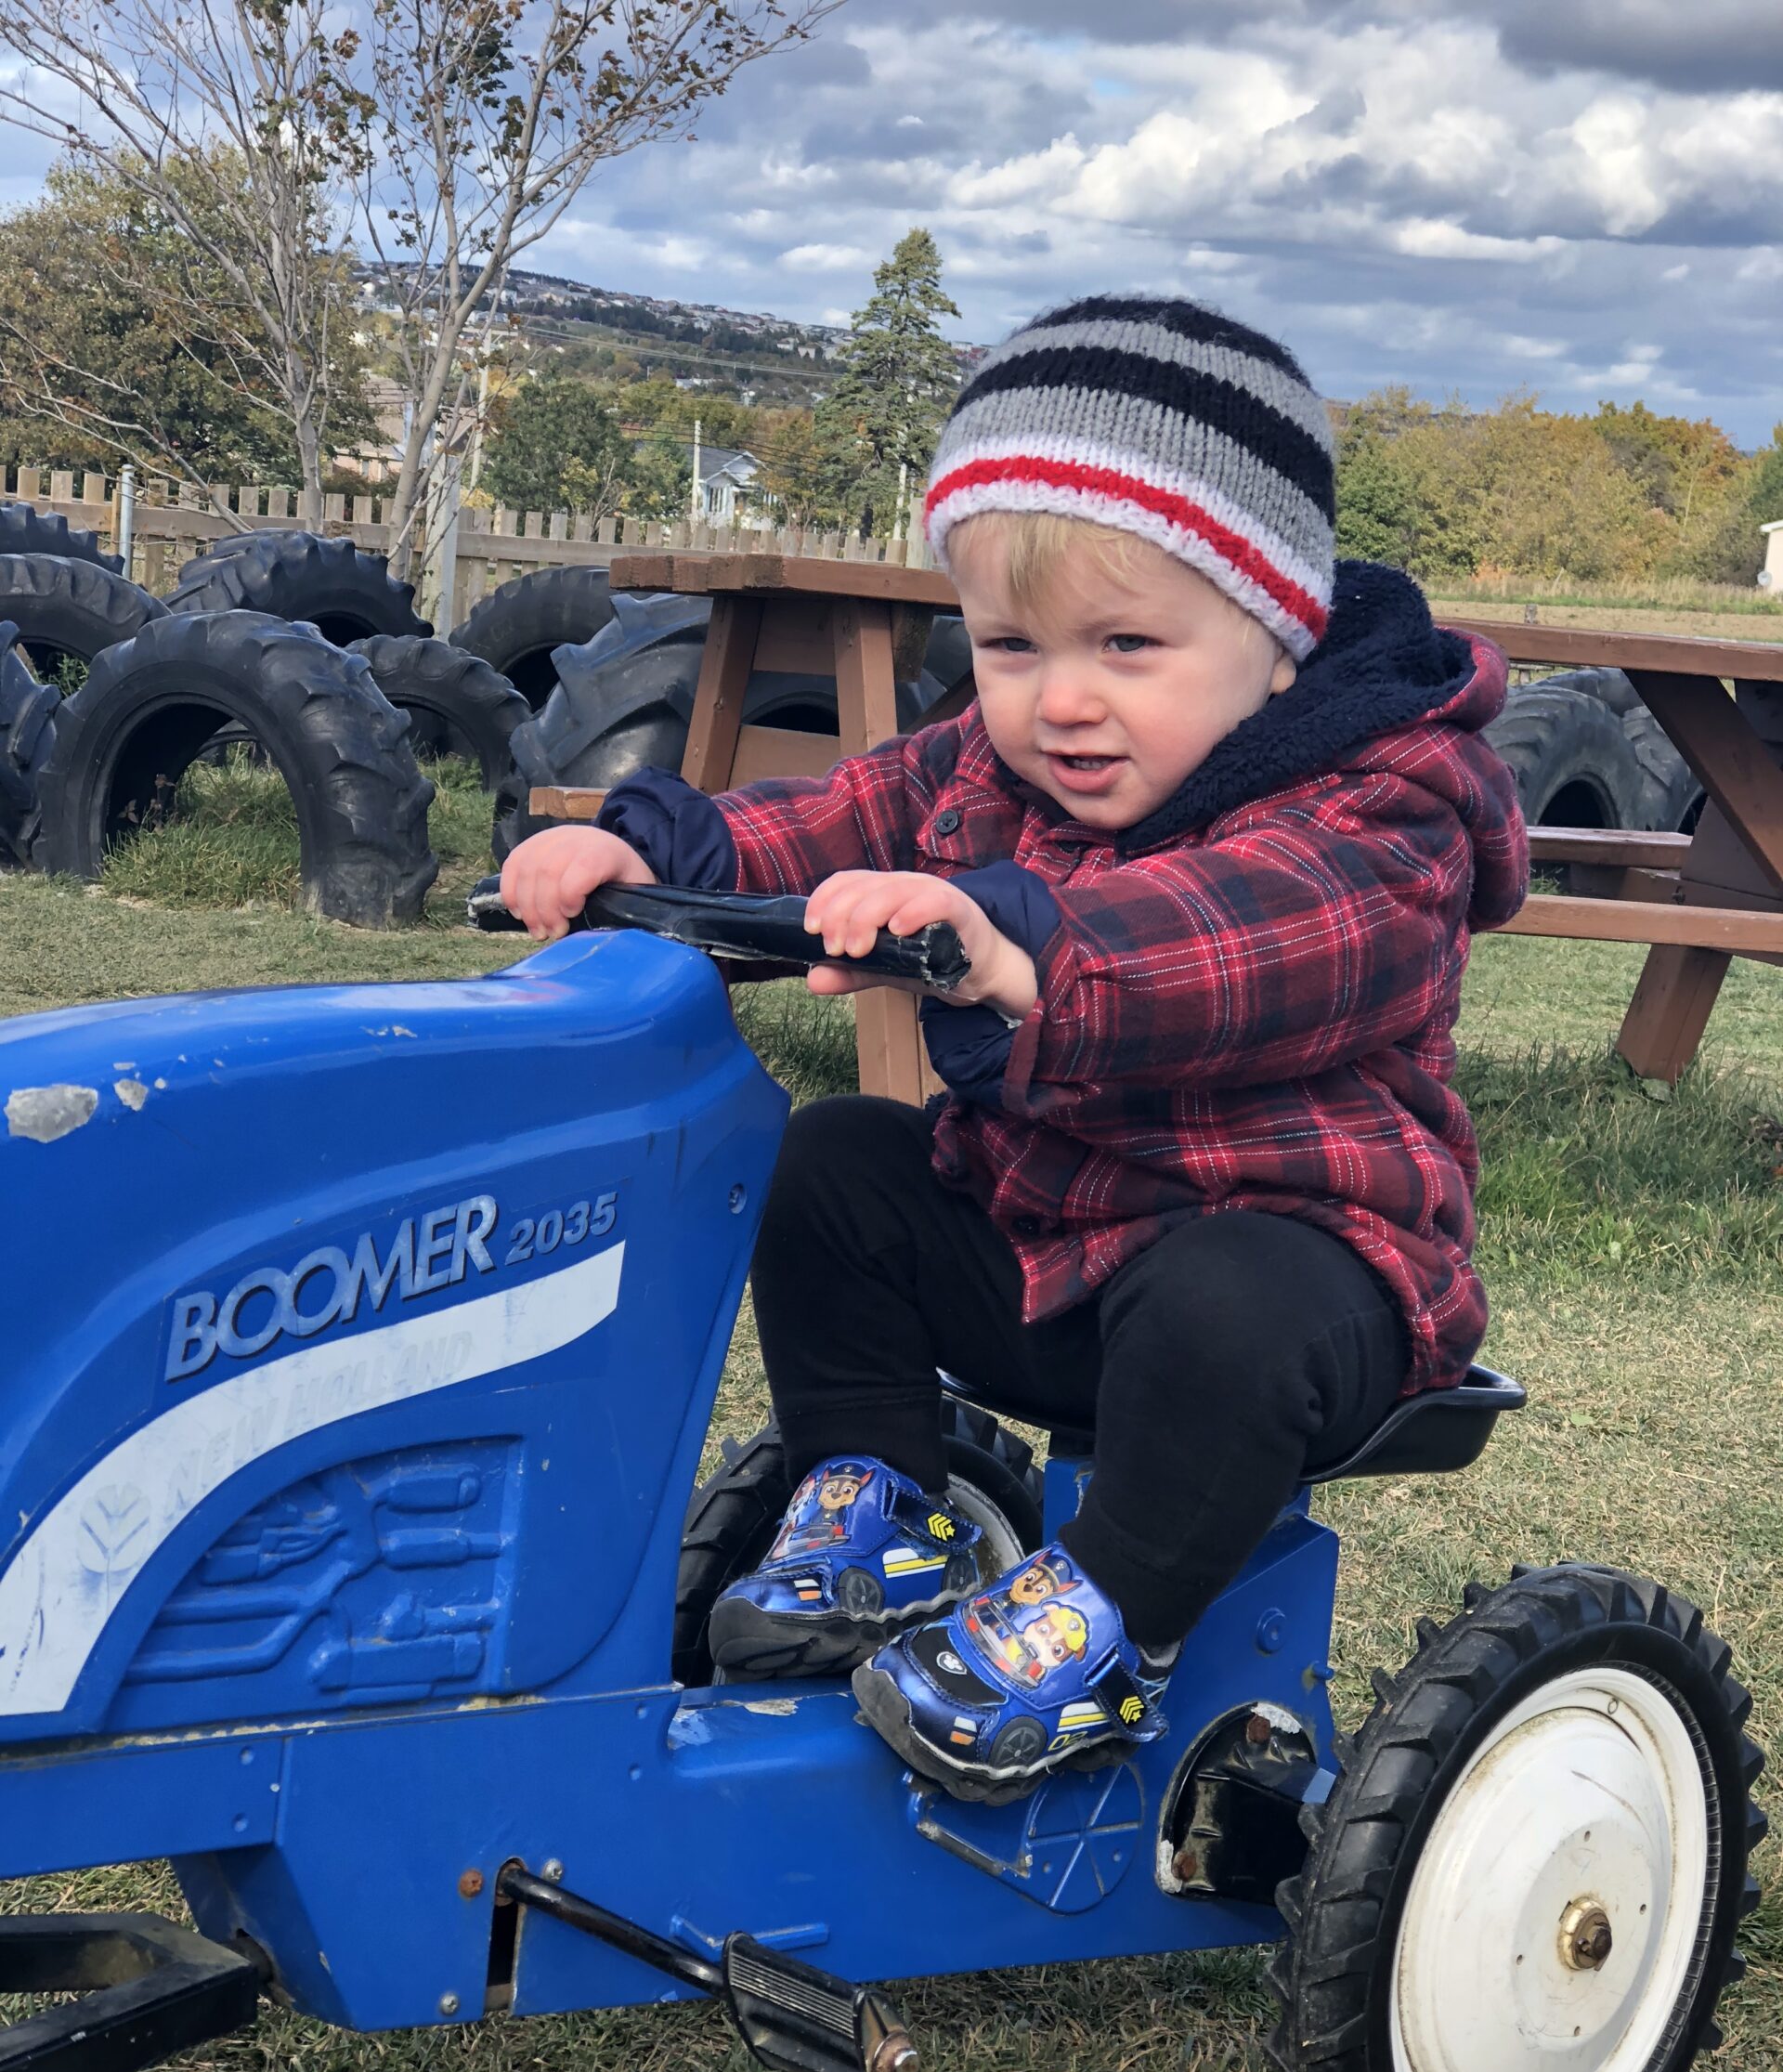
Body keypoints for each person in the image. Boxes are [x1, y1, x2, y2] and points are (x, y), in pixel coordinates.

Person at [500, 294, 1529, 1805]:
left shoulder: (1385, 810)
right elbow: (847, 810)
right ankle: (879, 1500)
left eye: (1127, 644)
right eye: (1009, 644)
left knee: (1227, 1303)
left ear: (1277, 640)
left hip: (1306, 1287)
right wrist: (665, 852)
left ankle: (1107, 1622)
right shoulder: (1001, 760)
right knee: (834, 1162)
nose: (1062, 700)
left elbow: (1232, 944)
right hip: (1054, 1257)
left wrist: (1021, 942)